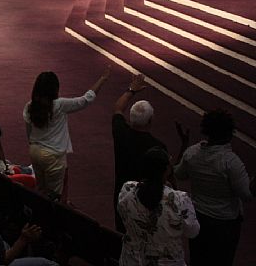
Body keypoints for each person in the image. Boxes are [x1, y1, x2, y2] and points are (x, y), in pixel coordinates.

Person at [174, 109, 255, 266]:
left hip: (198, 217)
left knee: (198, 259)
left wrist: (184, 145)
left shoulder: (192, 153)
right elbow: (247, 195)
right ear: (229, 134)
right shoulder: (231, 162)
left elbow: (178, 173)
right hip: (225, 224)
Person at [24, 67, 110, 201]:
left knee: (40, 189)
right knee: (54, 197)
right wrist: (102, 79)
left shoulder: (29, 106)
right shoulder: (60, 105)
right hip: (52, 155)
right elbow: (86, 99)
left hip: (35, 151)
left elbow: (28, 132)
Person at [118, 148, 200, 266]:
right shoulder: (180, 200)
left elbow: (122, 212)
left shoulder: (127, 189)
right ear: (166, 171)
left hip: (132, 261)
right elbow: (193, 232)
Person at [112, 74, 169, 232]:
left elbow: (118, 109)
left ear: (131, 118)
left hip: (122, 195)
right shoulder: (158, 147)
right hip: (148, 199)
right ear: (150, 121)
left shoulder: (121, 133)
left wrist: (131, 90)